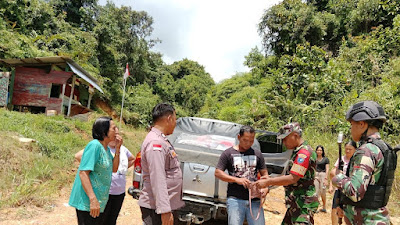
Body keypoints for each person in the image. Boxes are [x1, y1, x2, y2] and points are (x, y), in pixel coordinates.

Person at [332, 101, 391, 224]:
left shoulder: (366, 150)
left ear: (362, 124)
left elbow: (355, 192)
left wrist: (337, 177)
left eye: (352, 124)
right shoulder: (383, 148)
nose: (351, 128)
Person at [255, 122, 319, 225]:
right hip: (295, 202)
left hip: (303, 204)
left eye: (285, 139)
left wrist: (268, 182)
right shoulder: (297, 152)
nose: (284, 143)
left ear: (295, 135)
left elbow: (292, 178)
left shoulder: (304, 153)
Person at [75, 127, 135, 225]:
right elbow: (79, 158)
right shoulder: (97, 146)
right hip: (104, 193)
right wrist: (93, 167)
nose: (116, 137)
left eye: (118, 135)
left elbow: (116, 168)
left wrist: (122, 169)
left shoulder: (119, 149)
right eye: (114, 134)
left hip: (118, 192)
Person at [69, 117, 121, 225]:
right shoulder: (94, 146)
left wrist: (118, 149)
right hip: (88, 201)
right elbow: (83, 173)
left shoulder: (105, 149)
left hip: (99, 201)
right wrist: (93, 199)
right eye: (113, 128)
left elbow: (114, 169)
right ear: (104, 131)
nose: (117, 131)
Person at [138, 103, 184, 225]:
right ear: (169, 119)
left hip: (162, 206)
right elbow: (157, 178)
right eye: (175, 119)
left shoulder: (161, 140)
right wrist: (164, 210)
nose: (175, 123)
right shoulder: (155, 143)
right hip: (157, 209)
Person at [214, 125, 269, 225]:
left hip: (254, 200)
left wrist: (266, 188)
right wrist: (236, 180)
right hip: (235, 199)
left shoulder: (257, 154)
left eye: (251, 141)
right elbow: (218, 173)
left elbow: (265, 175)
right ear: (239, 137)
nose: (248, 143)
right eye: (245, 140)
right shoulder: (228, 153)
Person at [329, 140, 357, 225]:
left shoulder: (357, 160)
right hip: (340, 188)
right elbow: (333, 173)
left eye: (350, 149)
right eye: (346, 149)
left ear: (355, 149)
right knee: (335, 208)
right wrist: (331, 185)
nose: (347, 151)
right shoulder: (341, 159)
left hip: (351, 189)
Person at [314, 145, 329, 213]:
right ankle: (315, 207)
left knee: (323, 192)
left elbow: (327, 169)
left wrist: (326, 178)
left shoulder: (325, 159)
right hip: (316, 174)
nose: (319, 151)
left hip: (323, 175)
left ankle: (324, 206)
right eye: (318, 150)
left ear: (322, 151)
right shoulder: (314, 159)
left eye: (320, 150)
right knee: (316, 191)